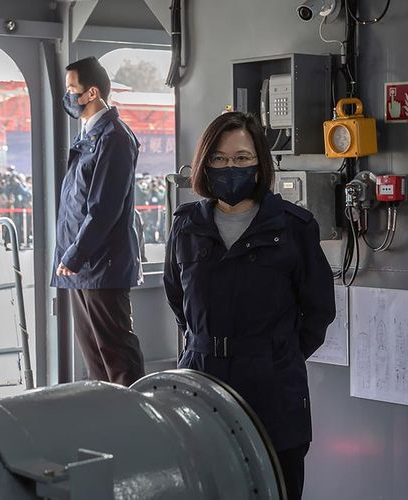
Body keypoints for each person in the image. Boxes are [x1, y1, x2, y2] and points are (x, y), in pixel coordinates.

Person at [163, 112, 335, 499]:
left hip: (272, 384)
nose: (230, 167)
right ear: (205, 164)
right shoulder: (187, 225)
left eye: (241, 158)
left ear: (260, 163)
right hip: (201, 380)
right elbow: (177, 297)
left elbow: (319, 310)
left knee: (276, 487)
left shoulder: (294, 227)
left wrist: (279, 353)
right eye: (220, 159)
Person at [51, 56, 144, 385]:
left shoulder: (114, 137)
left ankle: (133, 424)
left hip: (100, 264)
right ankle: (106, 421)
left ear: (91, 93)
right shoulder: (91, 134)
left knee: (115, 354)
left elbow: (104, 207)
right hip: (82, 266)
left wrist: (76, 254)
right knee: (94, 357)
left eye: (71, 89)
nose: (67, 96)